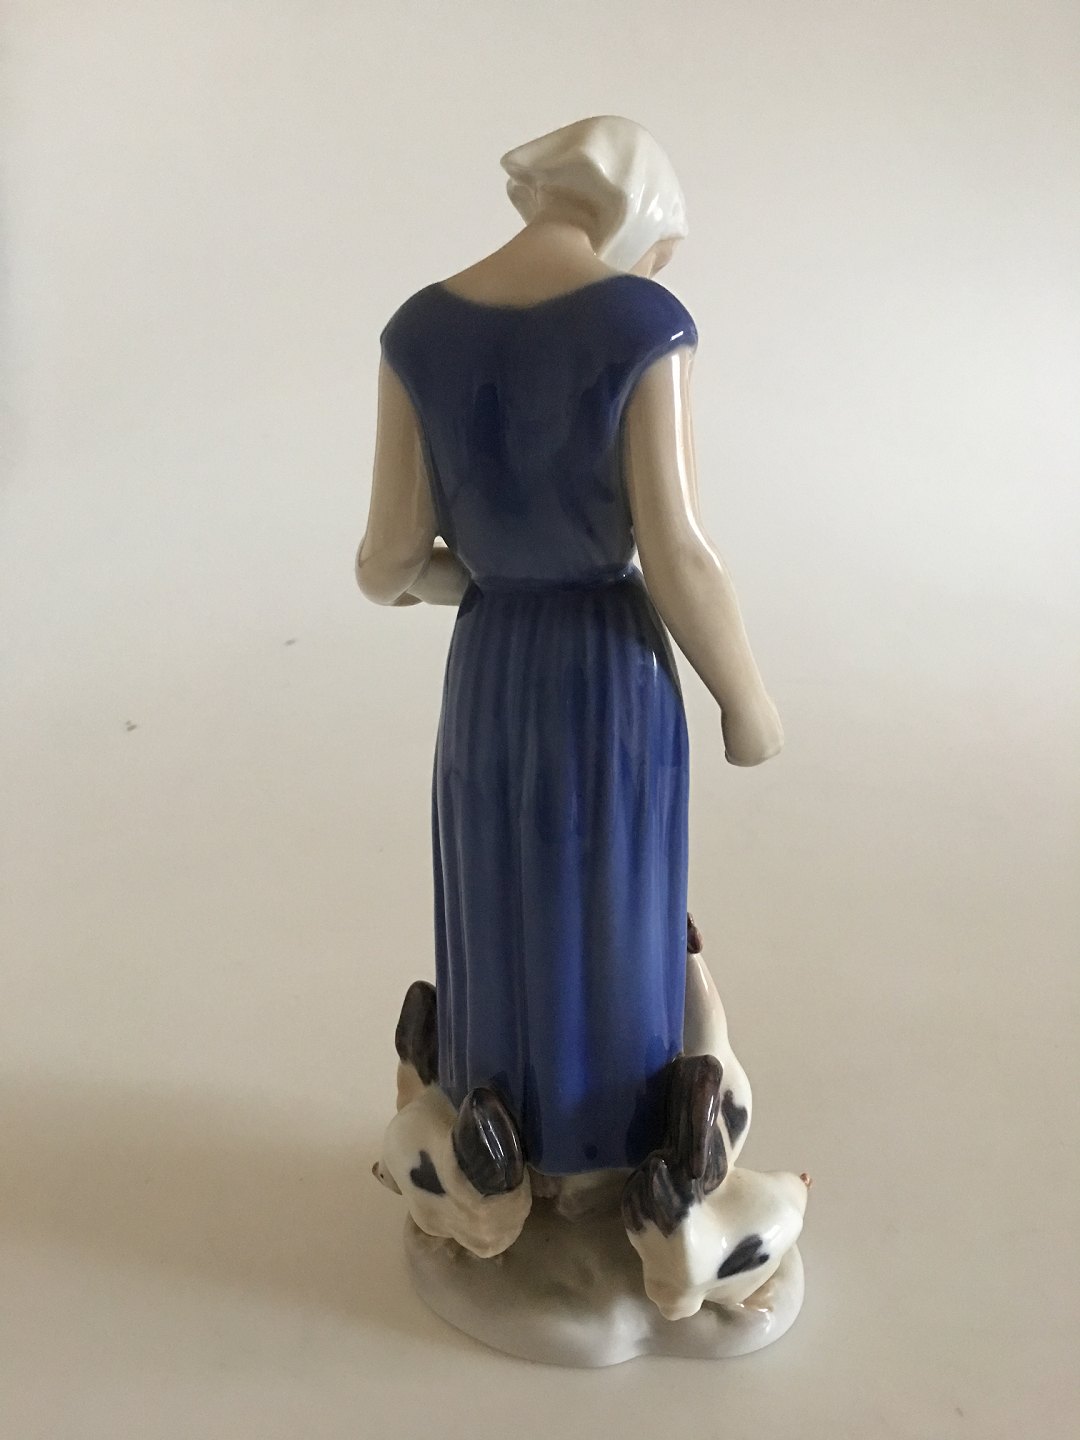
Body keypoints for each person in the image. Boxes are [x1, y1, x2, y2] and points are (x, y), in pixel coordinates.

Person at [357, 116, 782, 1179]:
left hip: (490, 669)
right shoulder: (644, 326)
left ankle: (499, 1146)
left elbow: (387, 561)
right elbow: (677, 551)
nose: (653, 271)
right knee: (606, 897)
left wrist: (490, 579)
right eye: (659, 250)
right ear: (636, 215)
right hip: (606, 672)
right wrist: (745, 700)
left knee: (499, 892)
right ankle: (616, 1158)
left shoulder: (417, 331)